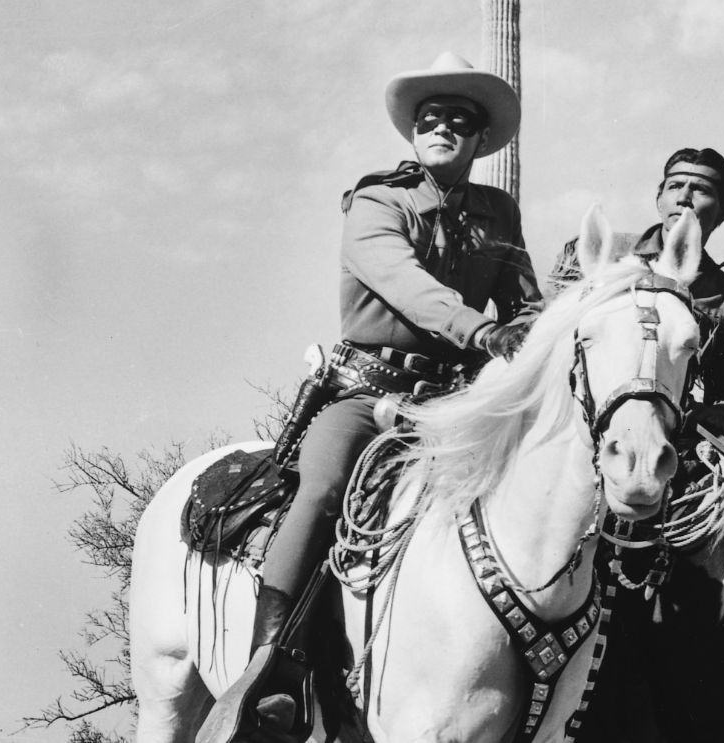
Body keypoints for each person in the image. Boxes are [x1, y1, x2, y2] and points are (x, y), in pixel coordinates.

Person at [198, 51, 542, 742]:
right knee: (322, 488)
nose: (441, 127)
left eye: (458, 120)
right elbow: (407, 283)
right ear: (413, 134)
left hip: (456, 402)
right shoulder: (377, 200)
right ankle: (269, 670)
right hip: (367, 390)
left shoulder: (498, 213)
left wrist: (538, 336)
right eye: (429, 118)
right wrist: (484, 331)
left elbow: (526, 302)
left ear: (478, 141)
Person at [549, 147, 724, 450]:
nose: (684, 198)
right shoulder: (605, 253)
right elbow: (544, 334)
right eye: (675, 186)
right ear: (659, 199)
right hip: (570, 432)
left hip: (667, 438)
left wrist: (697, 424)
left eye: (700, 189)